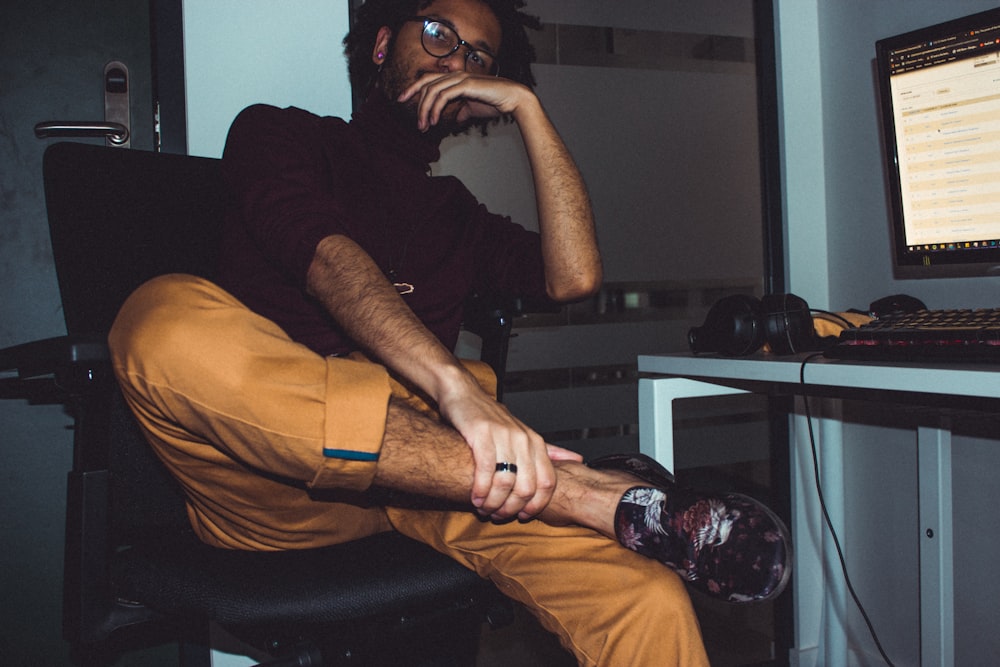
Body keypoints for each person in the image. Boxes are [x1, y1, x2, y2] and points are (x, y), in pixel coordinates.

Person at [108, 0, 790, 664]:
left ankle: (585, 495)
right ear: (382, 44)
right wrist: (453, 386)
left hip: (442, 480)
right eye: (438, 32)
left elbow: (574, 276)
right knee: (159, 322)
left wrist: (529, 109)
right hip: (286, 487)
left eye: (477, 55)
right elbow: (325, 258)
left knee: (643, 592)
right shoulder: (279, 134)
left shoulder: (457, 217)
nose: (455, 58)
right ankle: (579, 491)